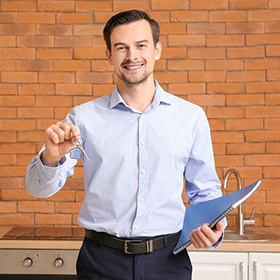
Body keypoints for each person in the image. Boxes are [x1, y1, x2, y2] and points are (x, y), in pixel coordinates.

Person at [26, 10, 226, 280]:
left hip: (168, 261)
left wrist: (213, 227)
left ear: (157, 50)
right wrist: (51, 158)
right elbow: (38, 189)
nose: (132, 56)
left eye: (141, 45)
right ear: (109, 55)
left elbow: (204, 190)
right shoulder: (83, 118)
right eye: (121, 48)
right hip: (100, 262)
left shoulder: (190, 117)